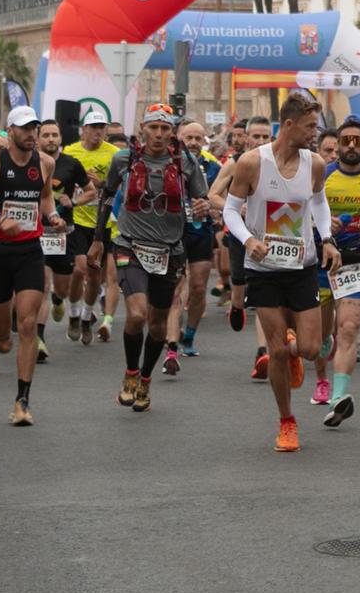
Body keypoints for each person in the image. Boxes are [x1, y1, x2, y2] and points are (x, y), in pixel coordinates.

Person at [222, 94, 338, 452]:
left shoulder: (314, 163)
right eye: (309, 127)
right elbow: (230, 210)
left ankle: (292, 348)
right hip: (264, 268)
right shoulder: (252, 162)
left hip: (301, 266)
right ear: (288, 125)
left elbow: (318, 201)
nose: (314, 134)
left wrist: (328, 239)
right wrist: (247, 241)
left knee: (310, 347)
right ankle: (287, 421)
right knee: (276, 351)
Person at [90, 104, 205, 413]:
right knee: (137, 315)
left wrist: (203, 208)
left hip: (169, 251)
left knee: (156, 326)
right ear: (142, 127)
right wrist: (98, 240)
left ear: (172, 132)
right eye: (153, 127)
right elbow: (106, 196)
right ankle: (129, 373)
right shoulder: (123, 158)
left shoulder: (186, 163)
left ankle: (145, 378)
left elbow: (201, 200)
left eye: (164, 128)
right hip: (130, 245)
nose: (158, 134)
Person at [0, 105, 65, 425]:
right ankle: (1, 340)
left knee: (29, 323)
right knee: (3, 334)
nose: (31, 134)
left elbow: (45, 197)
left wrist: (53, 215)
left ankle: (22, 401)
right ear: (10, 132)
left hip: (30, 251)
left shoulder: (45, 162)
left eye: (35, 127)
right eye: (25, 128)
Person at [318, 116, 360, 425]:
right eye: (347, 141)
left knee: (346, 329)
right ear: (338, 146)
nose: (352, 146)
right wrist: (320, 224)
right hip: (321, 262)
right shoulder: (322, 176)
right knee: (315, 340)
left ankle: (339, 396)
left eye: (358, 140)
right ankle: (295, 355)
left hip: (356, 262)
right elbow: (301, 211)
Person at [62, 111, 120, 344]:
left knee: (95, 274)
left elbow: (120, 188)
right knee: (78, 269)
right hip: (77, 219)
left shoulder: (115, 155)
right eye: (93, 127)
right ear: (83, 129)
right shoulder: (70, 152)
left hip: (103, 222)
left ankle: (86, 317)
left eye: (101, 127)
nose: (97, 131)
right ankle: (74, 314)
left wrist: (101, 184)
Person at [36, 118, 89, 357]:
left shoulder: (71, 164)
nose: (50, 139)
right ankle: (39, 339)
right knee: (41, 285)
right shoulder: (30, 161)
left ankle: (60, 300)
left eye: (54, 135)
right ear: (38, 138)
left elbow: (91, 191)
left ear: (60, 138)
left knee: (63, 286)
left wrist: (74, 201)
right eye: (45, 135)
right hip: (36, 231)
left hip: (62, 233)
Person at [175, 118, 220, 357]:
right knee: (175, 286)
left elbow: (225, 197)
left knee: (199, 287)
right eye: (188, 138)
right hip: (174, 232)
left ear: (204, 141)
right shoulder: (170, 164)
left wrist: (212, 206)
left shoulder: (213, 167)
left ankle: (189, 335)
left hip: (201, 232)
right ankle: (173, 333)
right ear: (179, 138)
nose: (193, 142)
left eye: (197, 139)